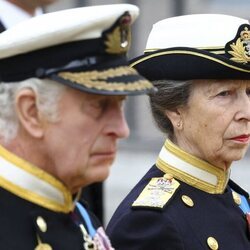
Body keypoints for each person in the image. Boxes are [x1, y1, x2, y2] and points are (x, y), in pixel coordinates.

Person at [0, 4, 155, 249]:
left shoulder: (80, 217)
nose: (122, 129)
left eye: (119, 105)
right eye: (98, 106)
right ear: (31, 111)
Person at [106, 14, 250, 249]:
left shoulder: (234, 198)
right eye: (225, 94)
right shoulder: (150, 224)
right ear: (174, 110)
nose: (246, 112)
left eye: (249, 93)